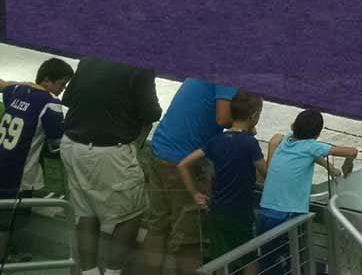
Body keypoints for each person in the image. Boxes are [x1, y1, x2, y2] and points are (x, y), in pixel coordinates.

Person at [61, 56, 162, 275]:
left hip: (71, 144)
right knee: (132, 214)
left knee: (85, 212)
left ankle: (89, 272)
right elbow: (152, 113)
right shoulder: (141, 65)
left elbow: (68, 98)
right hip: (108, 151)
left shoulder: (90, 57)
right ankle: (112, 272)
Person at [142, 79, 239, 275]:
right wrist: (245, 125)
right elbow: (223, 118)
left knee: (157, 227)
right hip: (182, 162)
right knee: (189, 238)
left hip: (159, 149)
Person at [257, 111, 358, 272]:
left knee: (269, 264)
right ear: (317, 134)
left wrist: (329, 167)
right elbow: (352, 151)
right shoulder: (311, 146)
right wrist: (348, 166)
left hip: (265, 213)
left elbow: (310, 153)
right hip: (288, 216)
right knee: (293, 262)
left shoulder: (286, 140)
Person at [176, 91, 266, 266]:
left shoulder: (216, 141)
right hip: (240, 212)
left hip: (217, 209)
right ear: (254, 116)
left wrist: (195, 193)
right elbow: (266, 172)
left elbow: (183, 165)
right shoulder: (250, 143)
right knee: (251, 259)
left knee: (221, 258)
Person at [0, 58, 73, 261]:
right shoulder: (50, 103)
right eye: (61, 84)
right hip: (21, 172)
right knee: (10, 220)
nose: (62, 89)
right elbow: (56, 140)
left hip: (3, 159)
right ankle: (5, 257)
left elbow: (4, 85)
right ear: (48, 80)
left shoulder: (15, 91)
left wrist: (22, 84)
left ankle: (8, 253)